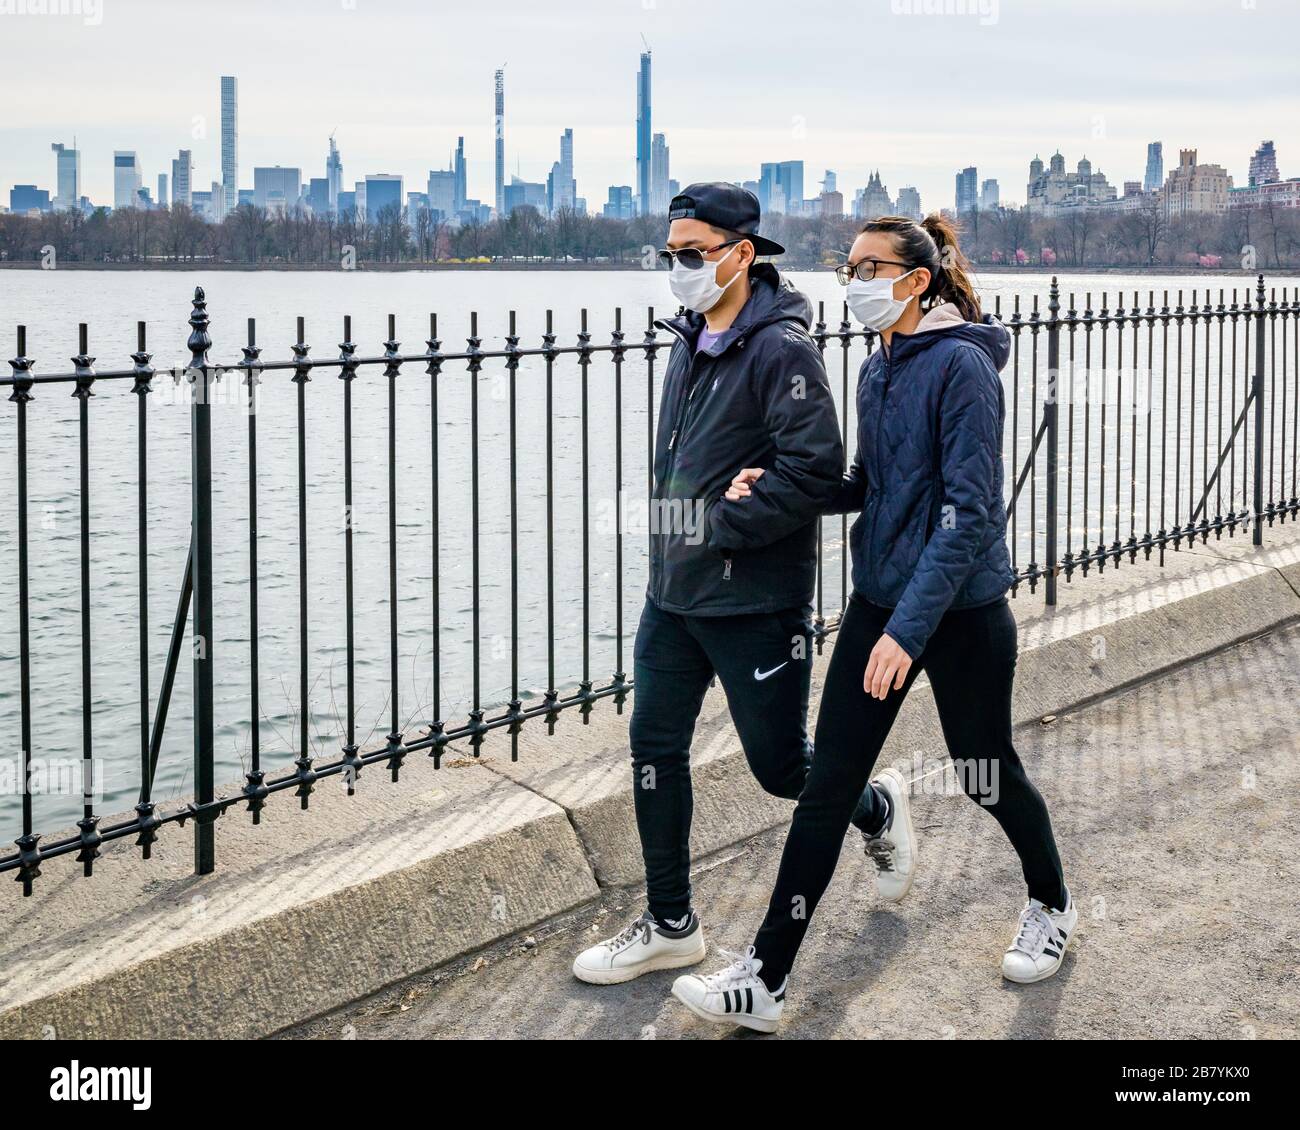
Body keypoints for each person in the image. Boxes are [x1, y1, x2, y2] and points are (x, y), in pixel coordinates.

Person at [670, 214, 1073, 1032]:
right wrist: (786, 483)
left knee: (983, 771)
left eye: (868, 269)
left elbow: (967, 517)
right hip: (881, 601)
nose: (851, 285)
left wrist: (906, 632)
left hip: (958, 613)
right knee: (827, 789)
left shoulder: (964, 368)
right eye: (846, 268)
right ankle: (766, 977)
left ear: (916, 280)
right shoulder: (876, 365)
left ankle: (1052, 904)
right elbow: (870, 482)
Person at [572, 184, 908, 985]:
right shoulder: (691, 338)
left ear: (742, 254)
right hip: (673, 595)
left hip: (754, 604)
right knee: (654, 749)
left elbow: (814, 470)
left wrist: (723, 530)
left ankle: (878, 808)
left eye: (694, 254)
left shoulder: (781, 351)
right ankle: (670, 923)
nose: (680, 269)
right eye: (672, 255)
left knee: (782, 767)